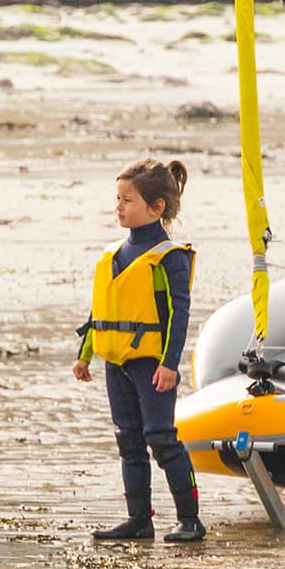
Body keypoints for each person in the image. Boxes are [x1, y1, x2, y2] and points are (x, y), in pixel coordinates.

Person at [72, 158, 205, 543]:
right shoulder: (113, 254)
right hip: (117, 363)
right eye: (118, 198)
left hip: (151, 365)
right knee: (128, 440)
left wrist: (169, 365)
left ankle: (190, 520)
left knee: (161, 438)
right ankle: (139, 521)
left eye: (127, 200)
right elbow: (100, 310)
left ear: (157, 207)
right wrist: (86, 354)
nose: (119, 207)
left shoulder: (169, 257)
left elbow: (178, 316)